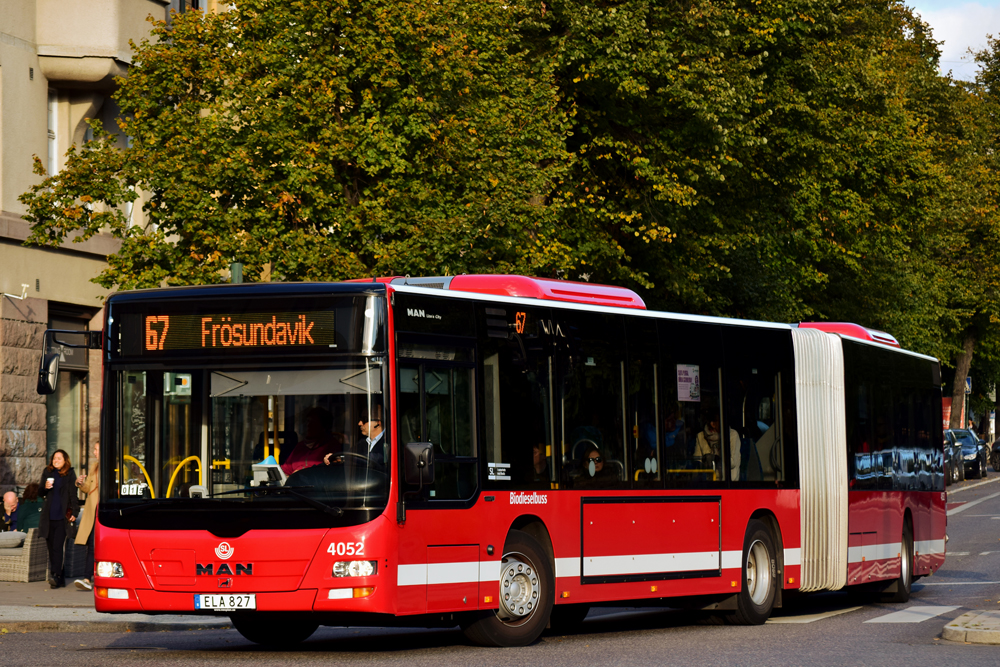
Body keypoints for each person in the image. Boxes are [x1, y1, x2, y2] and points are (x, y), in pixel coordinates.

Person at [39, 449, 80, 589]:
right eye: (54, 458)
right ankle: (60, 577)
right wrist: (45, 487)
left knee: (57, 547)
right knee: (51, 547)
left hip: (62, 517)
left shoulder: (69, 474)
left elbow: (74, 495)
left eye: (59, 458)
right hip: (48, 516)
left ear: (65, 461)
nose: (55, 461)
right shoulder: (47, 472)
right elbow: (40, 492)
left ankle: (55, 575)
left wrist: (75, 511)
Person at [279, 407, 342, 475]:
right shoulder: (300, 446)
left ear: (324, 427)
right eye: (308, 421)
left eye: (313, 422)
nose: (308, 425)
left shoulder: (332, 445)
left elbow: (331, 473)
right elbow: (285, 471)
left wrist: (302, 474)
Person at [73, 441, 100, 591]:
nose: (95, 453)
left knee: (98, 546)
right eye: (94, 450)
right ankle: (86, 578)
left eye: (97, 450)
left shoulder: (115, 466)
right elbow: (88, 487)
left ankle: (92, 577)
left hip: (105, 512)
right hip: (92, 512)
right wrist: (80, 483)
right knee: (91, 545)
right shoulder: (94, 466)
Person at [324, 404, 385, 469]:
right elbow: (350, 454)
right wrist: (334, 458)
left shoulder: (389, 441)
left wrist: (342, 458)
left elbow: (376, 458)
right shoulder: (363, 442)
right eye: (360, 419)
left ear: (378, 423)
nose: (359, 423)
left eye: (365, 419)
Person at [694, 416, 741, 481]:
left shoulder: (732, 435)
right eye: (721, 421)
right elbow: (697, 461)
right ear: (713, 424)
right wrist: (705, 462)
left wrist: (716, 459)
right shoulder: (700, 436)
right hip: (709, 481)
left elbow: (732, 463)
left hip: (728, 482)